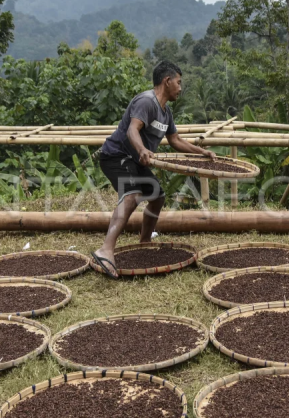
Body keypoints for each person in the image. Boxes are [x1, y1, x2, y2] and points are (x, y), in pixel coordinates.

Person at [91, 61, 216, 278]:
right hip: (117, 156)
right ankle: (106, 249)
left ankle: (145, 242)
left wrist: (200, 152)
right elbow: (132, 129)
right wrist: (142, 150)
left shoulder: (166, 113)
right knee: (132, 196)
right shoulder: (146, 101)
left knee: (157, 197)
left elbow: (175, 140)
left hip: (137, 160)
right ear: (167, 81)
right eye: (178, 82)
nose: (180, 87)